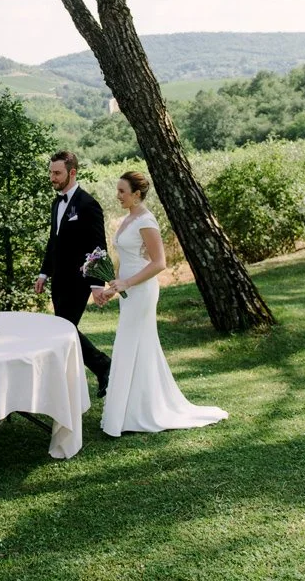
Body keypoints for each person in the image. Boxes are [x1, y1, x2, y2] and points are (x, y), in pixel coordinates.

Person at [91, 171, 228, 437]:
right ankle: (133, 409)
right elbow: (126, 259)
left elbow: (159, 263)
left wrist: (128, 284)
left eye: (122, 191)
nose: (118, 196)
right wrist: (113, 288)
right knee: (133, 346)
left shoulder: (146, 220)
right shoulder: (127, 219)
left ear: (137, 194)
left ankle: (142, 411)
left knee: (134, 343)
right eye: (118, 190)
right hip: (129, 289)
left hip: (142, 291)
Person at [36, 150, 112, 397]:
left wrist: (96, 284)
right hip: (58, 280)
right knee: (64, 331)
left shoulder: (88, 204)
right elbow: (53, 241)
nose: (52, 178)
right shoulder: (56, 203)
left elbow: (98, 247)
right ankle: (98, 368)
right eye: (50, 172)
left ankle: (101, 367)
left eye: (56, 173)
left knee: (64, 329)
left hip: (79, 281)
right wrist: (44, 273)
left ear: (72, 172)